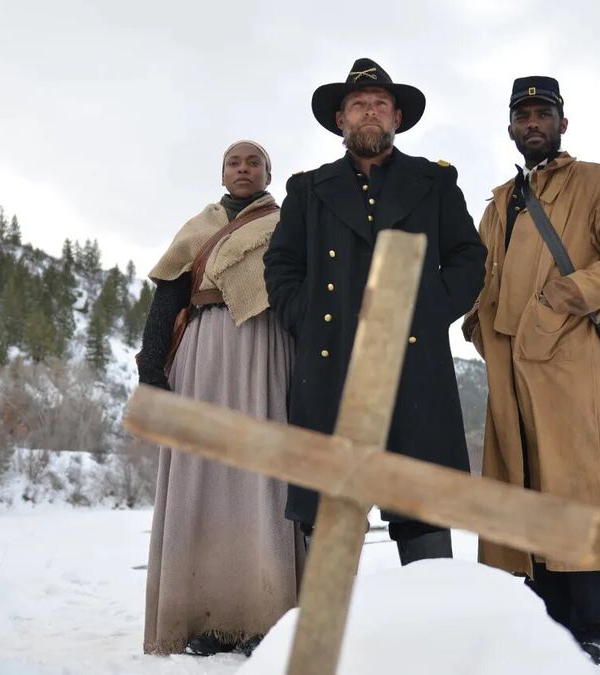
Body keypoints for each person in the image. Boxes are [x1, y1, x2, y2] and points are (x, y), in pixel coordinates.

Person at [462, 76, 600, 667]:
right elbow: (480, 272)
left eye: (543, 113)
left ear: (562, 123)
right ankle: (547, 629)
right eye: (522, 115)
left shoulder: (597, 181)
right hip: (508, 373)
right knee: (527, 494)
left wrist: (560, 299)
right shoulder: (498, 202)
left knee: (582, 492)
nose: (532, 123)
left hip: (570, 364)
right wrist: (475, 321)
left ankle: (599, 629)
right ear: (511, 126)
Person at [264, 58, 486, 564]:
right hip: (330, 364)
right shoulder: (308, 189)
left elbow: (468, 257)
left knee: (422, 508)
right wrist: (305, 314)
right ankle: (332, 635)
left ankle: (429, 632)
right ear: (340, 119)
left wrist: (427, 311)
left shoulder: (434, 182)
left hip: (413, 365)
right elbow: (281, 265)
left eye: (380, 105)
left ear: (397, 118)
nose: (370, 112)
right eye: (358, 105)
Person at [137, 140, 304, 658]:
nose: (244, 169)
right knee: (201, 479)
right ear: (223, 172)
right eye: (235, 161)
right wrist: (150, 368)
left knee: (263, 481)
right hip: (203, 353)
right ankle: (203, 615)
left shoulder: (287, 221)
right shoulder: (198, 226)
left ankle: (266, 616)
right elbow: (168, 293)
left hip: (267, 350)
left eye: (254, 162)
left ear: (268, 174)